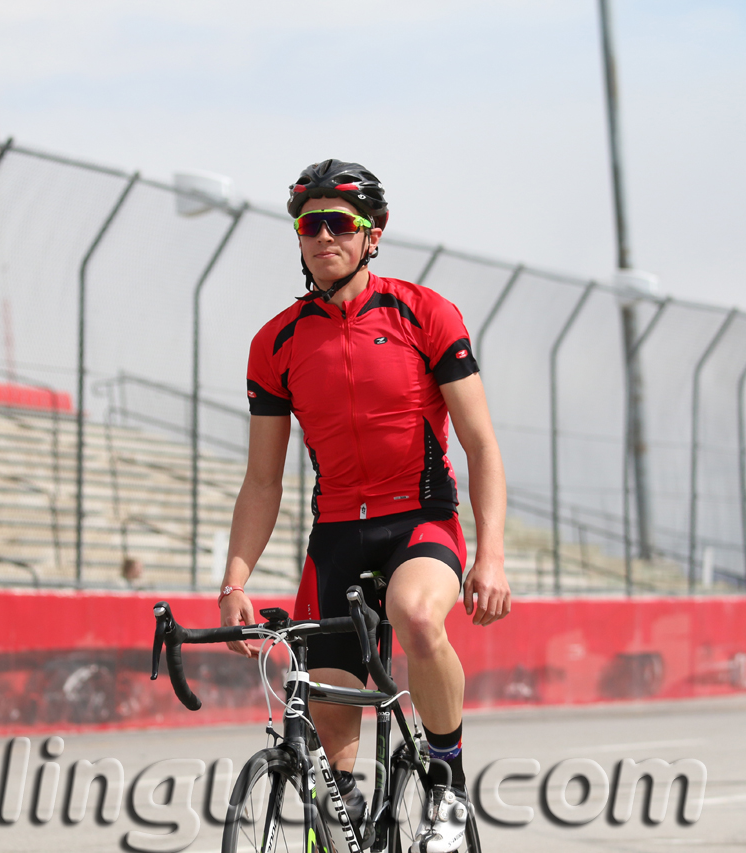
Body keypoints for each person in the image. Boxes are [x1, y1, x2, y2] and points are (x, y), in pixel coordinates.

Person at [219, 160, 510, 853]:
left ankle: (446, 784)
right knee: (332, 748)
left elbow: (480, 441)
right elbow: (263, 481)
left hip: (421, 521)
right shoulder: (277, 342)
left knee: (414, 612)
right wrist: (234, 580)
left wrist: (492, 554)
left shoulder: (425, 313)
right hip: (338, 536)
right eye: (308, 223)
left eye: (339, 223)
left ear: (372, 234)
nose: (322, 236)